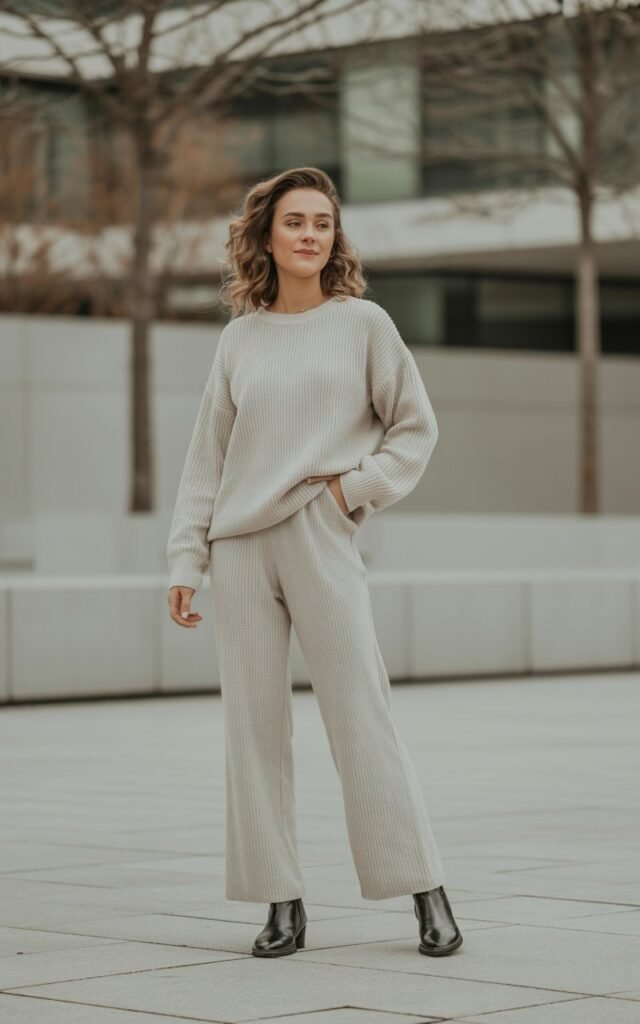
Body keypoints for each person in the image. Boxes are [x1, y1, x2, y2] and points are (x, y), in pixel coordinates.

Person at [166, 166, 463, 959]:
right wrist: (184, 560)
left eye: (322, 224)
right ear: (266, 235)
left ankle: (425, 889)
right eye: (294, 222)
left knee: (361, 715)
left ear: (335, 238)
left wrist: (350, 492)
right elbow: (208, 459)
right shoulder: (241, 338)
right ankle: (280, 901)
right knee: (252, 729)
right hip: (239, 548)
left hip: (318, 534)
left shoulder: (364, 323)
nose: (309, 235)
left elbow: (414, 428)